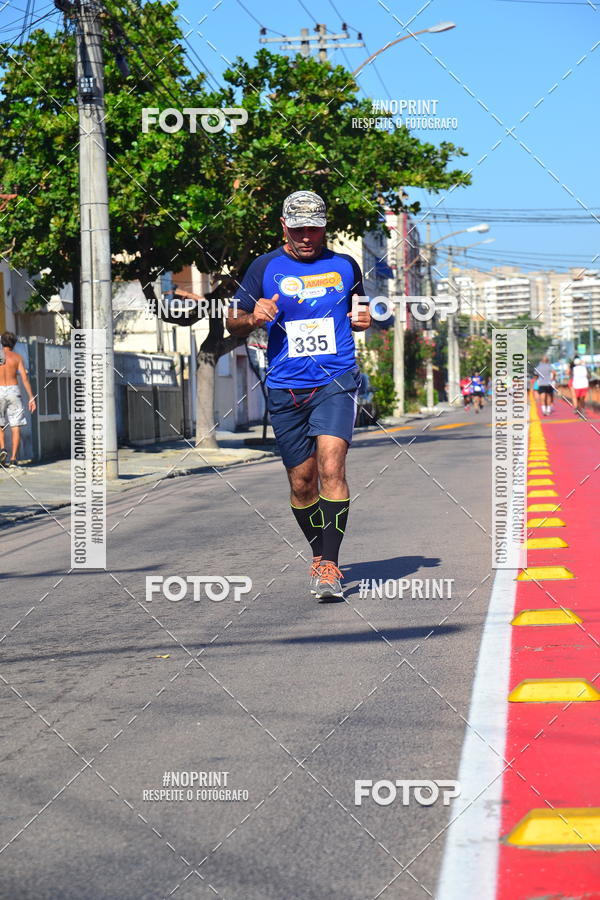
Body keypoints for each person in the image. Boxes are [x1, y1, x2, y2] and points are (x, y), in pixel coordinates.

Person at [226, 191, 371, 600]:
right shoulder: (264, 267)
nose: (307, 236)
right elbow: (232, 321)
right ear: (283, 226)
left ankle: (330, 566)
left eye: (315, 229)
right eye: (299, 229)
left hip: (335, 380)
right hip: (285, 386)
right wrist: (252, 318)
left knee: (332, 467)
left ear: (325, 227)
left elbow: (361, 309)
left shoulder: (345, 265)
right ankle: (318, 551)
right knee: (303, 483)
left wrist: (364, 319)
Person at [0, 331, 36, 467]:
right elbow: (25, 379)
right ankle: (13, 459)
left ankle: (3, 449)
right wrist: (31, 397)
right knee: (15, 425)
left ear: (2, 343)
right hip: (14, 391)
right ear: (14, 344)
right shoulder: (17, 358)